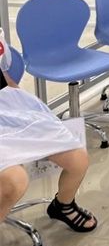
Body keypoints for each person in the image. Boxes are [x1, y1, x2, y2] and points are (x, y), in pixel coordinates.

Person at [0, 29, 97, 232]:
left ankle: (63, 206)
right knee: (14, 181)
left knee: (78, 159)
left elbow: (3, 72)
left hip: (7, 107)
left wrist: (22, 102)